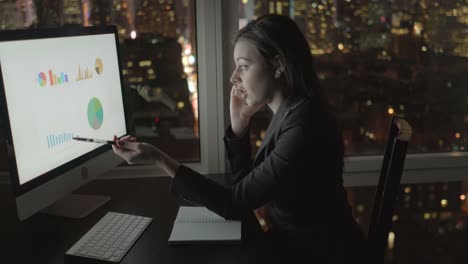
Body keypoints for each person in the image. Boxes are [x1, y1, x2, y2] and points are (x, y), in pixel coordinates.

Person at [113, 14, 366, 263]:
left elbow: (235, 202)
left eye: (243, 66)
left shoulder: (302, 127)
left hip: (318, 254)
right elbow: (244, 189)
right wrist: (239, 125)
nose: (234, 77)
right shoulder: (293, 113)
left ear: (278, 65)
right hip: (299, 246)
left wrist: (158, 158)